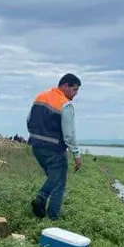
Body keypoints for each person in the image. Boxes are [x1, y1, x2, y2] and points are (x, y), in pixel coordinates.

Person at [26, 73, 83, 221]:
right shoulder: (65, 104)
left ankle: (42, 209)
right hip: (55, 150)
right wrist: (76, 155)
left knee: (53, 179)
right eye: (74, 90)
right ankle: (52, 216)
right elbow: (69, 134)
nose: (76, 94)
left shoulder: (40, 97)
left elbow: (29, 120)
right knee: (59, 183)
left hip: (37, 147)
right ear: (65, 86)